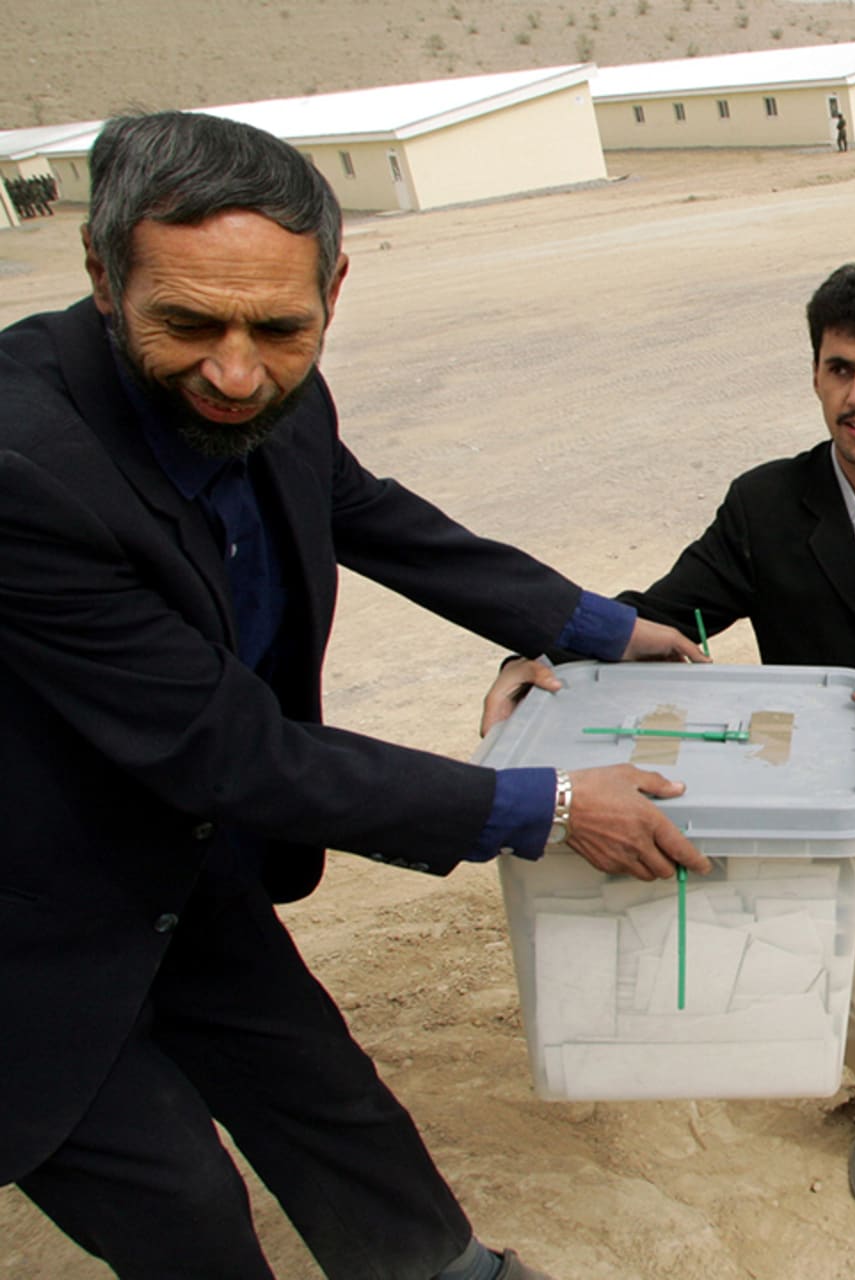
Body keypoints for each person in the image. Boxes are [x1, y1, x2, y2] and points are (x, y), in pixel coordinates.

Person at [0, 111, 717, 1280]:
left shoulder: (275, 392)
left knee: (328, 1099)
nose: (238, 372)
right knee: (184, 1207)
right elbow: (230, 748)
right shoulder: (23, 464)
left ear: (332, 287)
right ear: (100, 272)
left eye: (282, 328)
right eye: (189, 324)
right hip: (29, 907)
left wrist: (600, 627)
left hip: (178, 854)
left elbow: (372, 515)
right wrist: (547, 803)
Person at [487, 260, 855, 1213]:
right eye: (840, 369)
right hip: (830, 808)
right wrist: (540, 651)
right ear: (816, 374)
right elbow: (670, 613)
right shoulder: (765, 504)